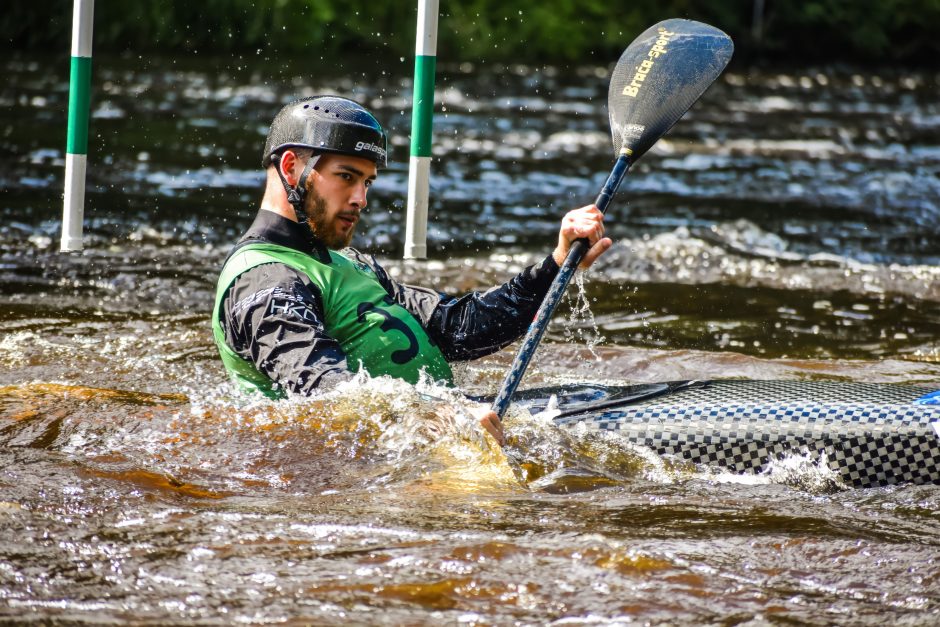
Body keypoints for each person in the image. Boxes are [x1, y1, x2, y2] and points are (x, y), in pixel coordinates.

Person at [212, 96, 611, 445]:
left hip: (436, 435)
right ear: (290, 167)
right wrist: (442, 419)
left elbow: (461, 329)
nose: (360, 199)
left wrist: (556, 265)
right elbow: (324, 390)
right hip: (358, 476)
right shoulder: (263, 280)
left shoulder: (348, 263)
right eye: (346, 177)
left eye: (367, 182)